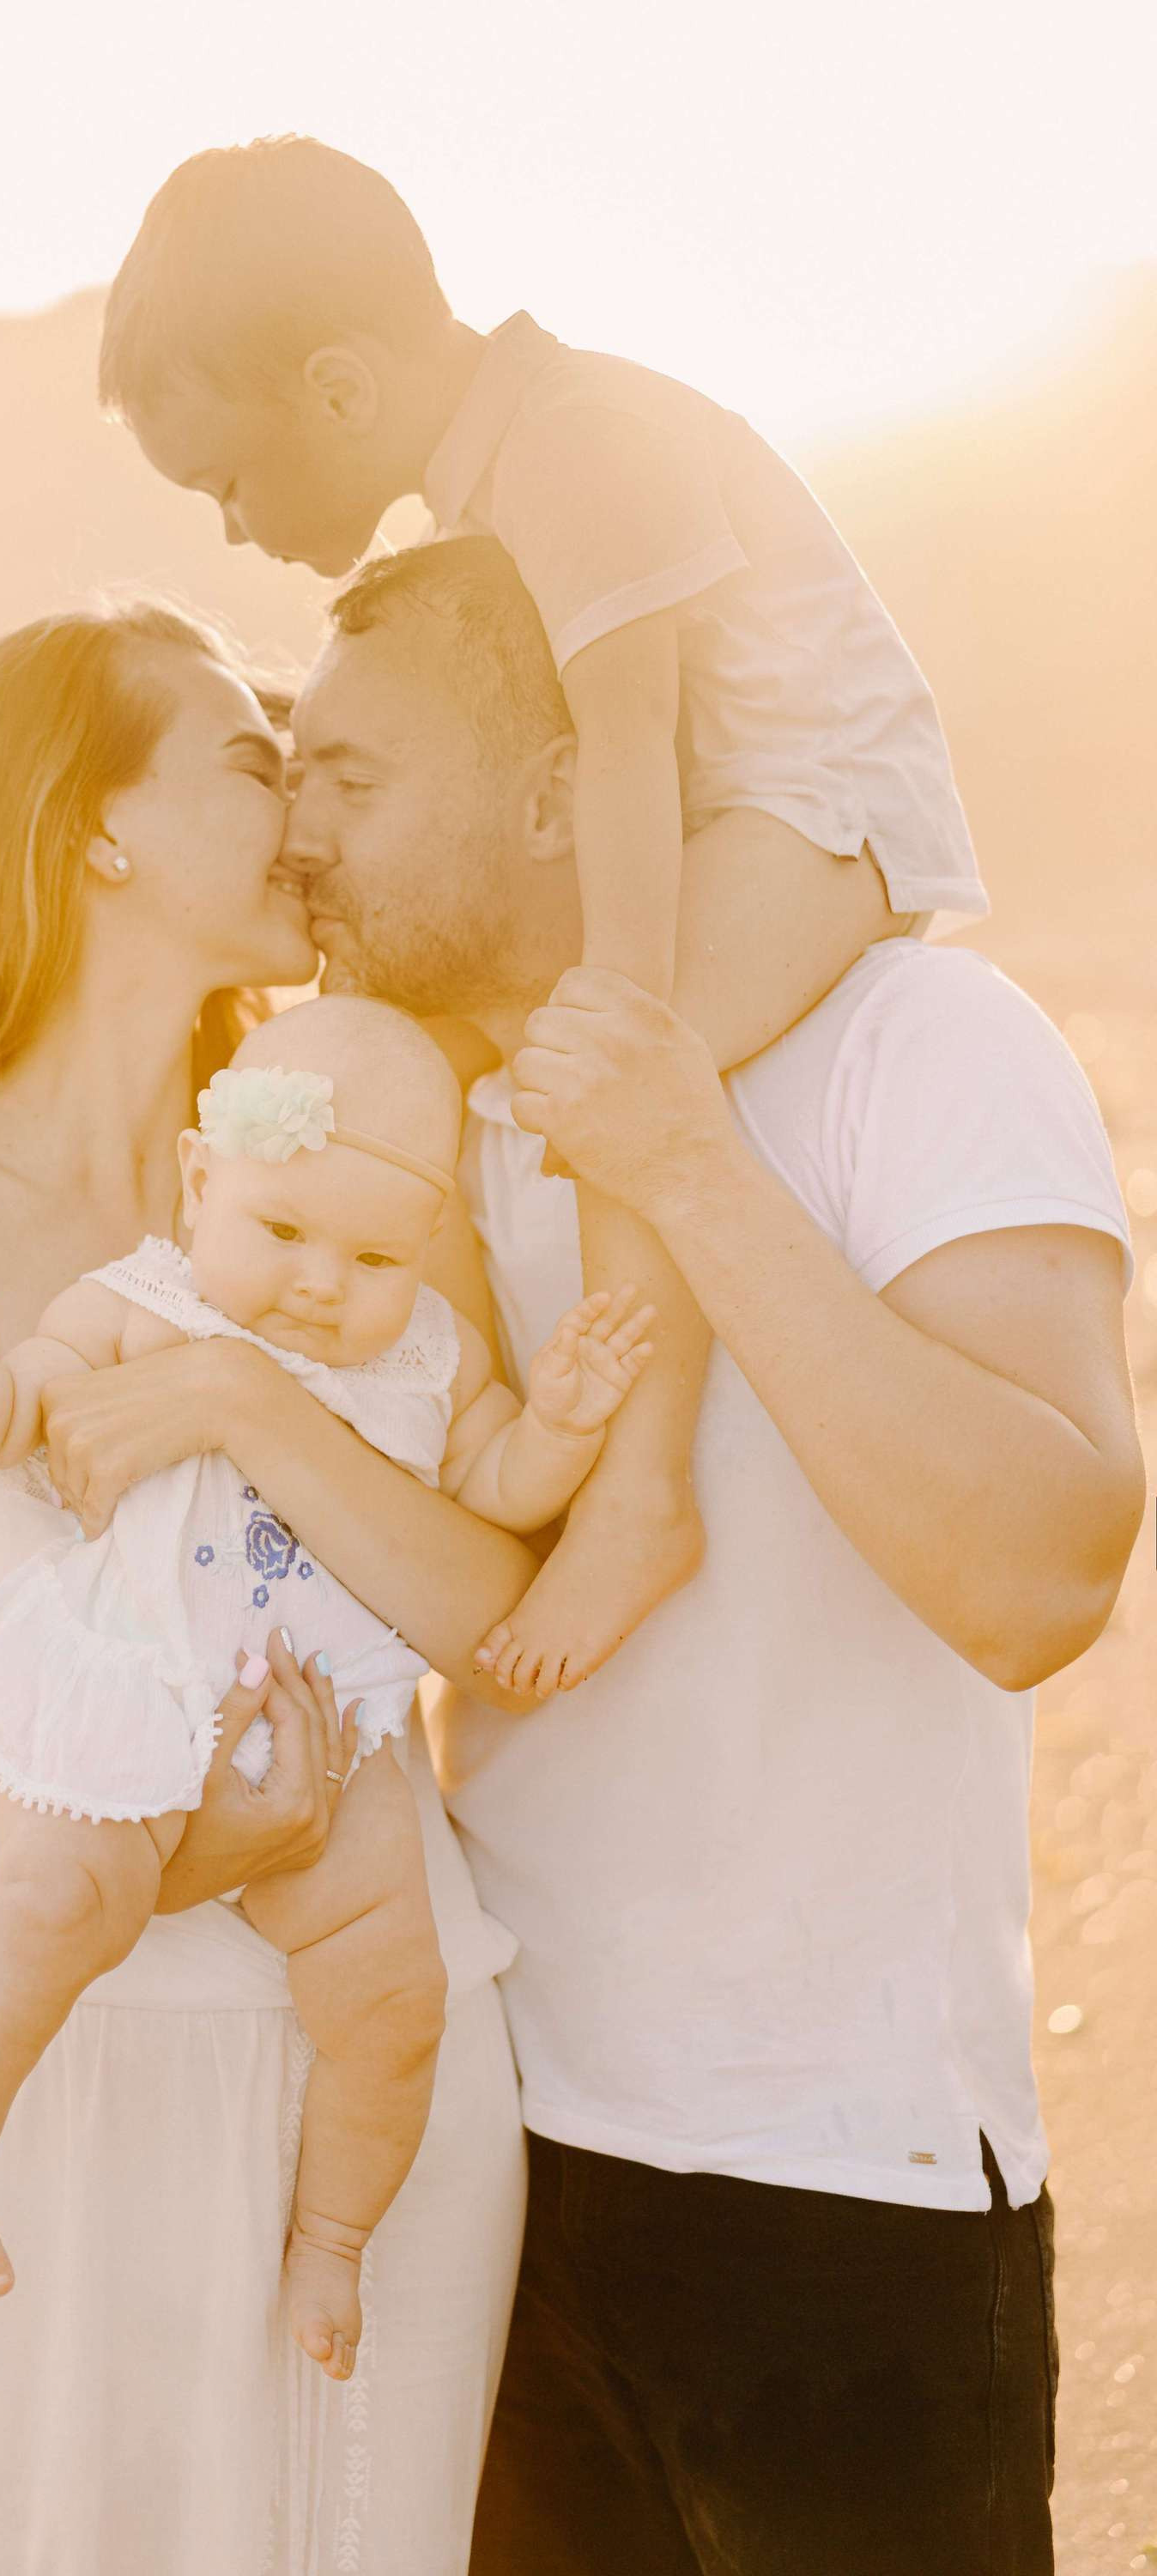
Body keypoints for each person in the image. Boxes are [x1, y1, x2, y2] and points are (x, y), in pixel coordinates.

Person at [264, 538, 1140, 2573]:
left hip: (835, 2186)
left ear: (563, 789)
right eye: (285, 779)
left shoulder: (909, 1039)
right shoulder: (404, 1142)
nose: (300, 835)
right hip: (486, 2168)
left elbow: (1038, 1577)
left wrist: (682, 1157)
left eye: (353, 779)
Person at [0, 603, 541, 2574]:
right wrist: (154, 1856)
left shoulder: (341, 1168)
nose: (303, 809)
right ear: (88, 830)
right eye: (252, 762)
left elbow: (479, 1611)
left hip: (385, 2080)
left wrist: (246, 1401)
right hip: (45, 2112)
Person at [100, 131, 984, 1697]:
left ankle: (638, 1496)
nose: (233, 529)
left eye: (229, 481)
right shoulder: (483, 490)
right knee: (482, 1056)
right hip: (724, 809)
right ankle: (422, 1412)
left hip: (818, 813)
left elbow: (628, 735)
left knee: (611, 1083)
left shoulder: (574, 443)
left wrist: (625, 1011)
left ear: (340, 390)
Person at [0, 995, 653, 2374]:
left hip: (336, 1734)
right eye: (283, 1234)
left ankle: (328, 2246)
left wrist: (565, 1420)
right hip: (141, 1688)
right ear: (206, 1184)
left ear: (427, 1244)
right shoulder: (134, 1307)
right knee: (56, 1903)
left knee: (397, 1998)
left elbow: (497, 1488)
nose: (324, 1283)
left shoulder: (426, 1357)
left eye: (375, 1253)